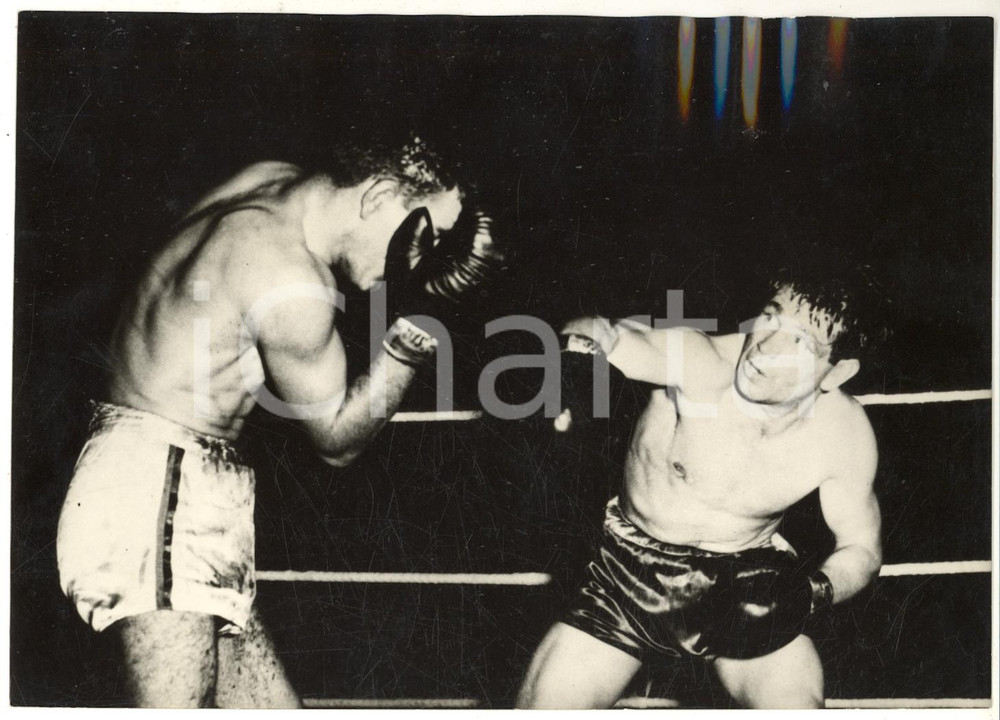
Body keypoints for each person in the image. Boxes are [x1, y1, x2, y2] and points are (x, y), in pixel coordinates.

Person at [56, 136, 503, 707]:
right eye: (429, 236)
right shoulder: (293, 282)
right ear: (381, 195)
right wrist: (410, 342)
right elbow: (337, 441)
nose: (419, 258)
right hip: (163, 493)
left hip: (160, 479)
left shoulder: (265, 180)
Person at [517, 272, 885, 709]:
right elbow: (603, 332)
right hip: (624, 577)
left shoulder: (843, 433)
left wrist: (808, 594)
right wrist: (575, 361)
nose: (765, 347)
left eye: (801, 343)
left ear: (838, 371)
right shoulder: (701, 361)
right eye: (770, 318)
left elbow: (862, 548)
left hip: (742, 583)